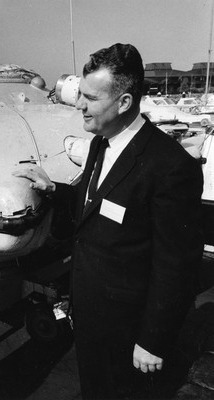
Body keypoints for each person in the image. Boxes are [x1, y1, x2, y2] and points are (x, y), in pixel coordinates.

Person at [13, 43, 203, 399]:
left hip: (132, 336)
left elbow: (176, 266)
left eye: (90, 98)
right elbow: (99, 207)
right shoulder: (103, 142)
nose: (78, 105)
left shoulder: (171, 167)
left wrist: (152, 340)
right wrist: (53, 188)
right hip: (91, 321)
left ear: (124, 103)